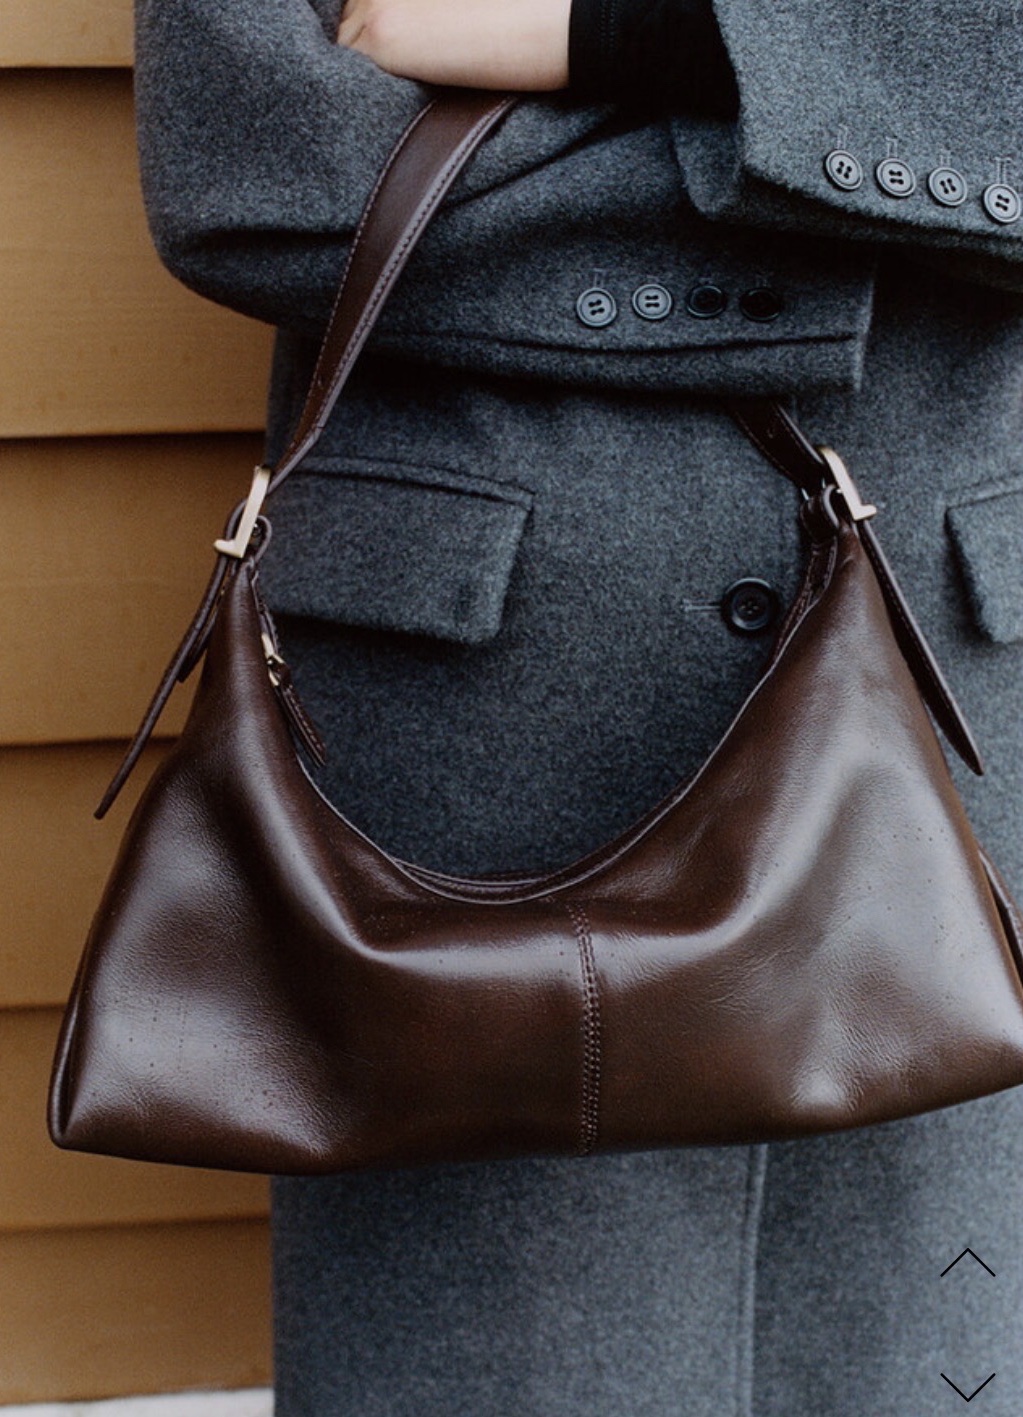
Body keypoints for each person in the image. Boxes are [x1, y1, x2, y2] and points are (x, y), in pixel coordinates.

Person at [132, 1, 1023, 1411]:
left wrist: (629, 34)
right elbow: (261, 170)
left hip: (962, 707)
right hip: (465, 746)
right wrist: (865, 157)